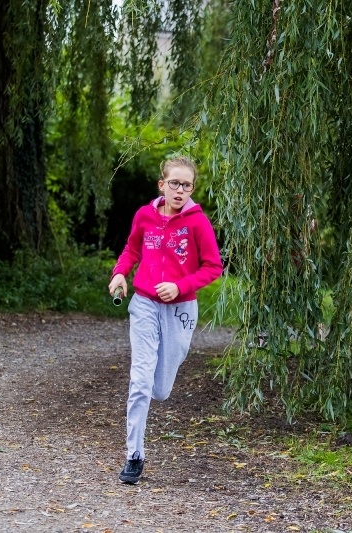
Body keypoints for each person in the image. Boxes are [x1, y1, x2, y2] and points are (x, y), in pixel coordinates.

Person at [108, 156, 223, 484]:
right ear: (162, 185)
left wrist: (180, 286)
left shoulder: (198, 223)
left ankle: (155, 390)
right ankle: (134, 455)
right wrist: (120, 273)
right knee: (141, 379)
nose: (180, 190)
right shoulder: (145, 215)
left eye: (187, 185)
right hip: (144, 304)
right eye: (174, 183)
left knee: (159, 389)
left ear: (192, 189)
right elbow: (131, 250)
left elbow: (213, 267)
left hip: (180, 311)